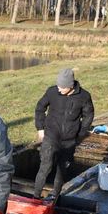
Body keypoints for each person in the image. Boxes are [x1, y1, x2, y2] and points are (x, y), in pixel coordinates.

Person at [33, 68, 94, 199]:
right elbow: (40, 108)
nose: (59, 89)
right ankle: (35, 196)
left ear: (71, 86)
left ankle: (55, 195)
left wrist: (81, 133)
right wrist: (40, 128)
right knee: (45, 167)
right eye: (58, 85)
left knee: (62, 169)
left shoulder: (84, 96)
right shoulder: (52, 92)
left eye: (62, 87)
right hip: (51, 137)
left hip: (69, 140)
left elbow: (88, 115)